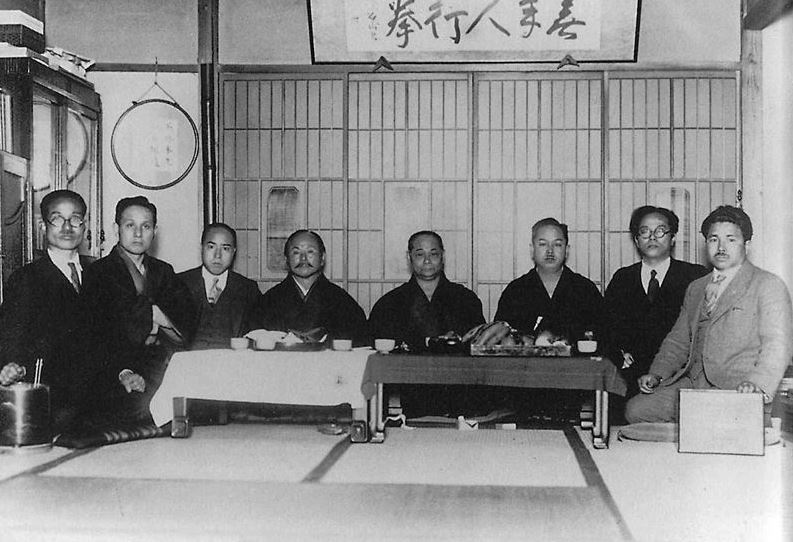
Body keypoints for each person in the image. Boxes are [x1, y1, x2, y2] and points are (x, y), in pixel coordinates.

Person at [625, 205, 793, 423]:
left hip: (737, 387)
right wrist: (657, 374)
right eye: (714, 239)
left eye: (731, 239)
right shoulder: (696, 287)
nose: (721, 247)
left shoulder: (767, 284)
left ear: (747, 244)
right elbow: (677, 342)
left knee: (708, 423)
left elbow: (777, 345)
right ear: (706, 244)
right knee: (637, 410)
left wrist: (758, 384)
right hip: (692, 384)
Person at [83, 196, 196, 423]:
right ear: (116, 229)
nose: (138, 233)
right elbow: (94, 337)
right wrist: (123, 371)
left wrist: (160, 318)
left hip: (157, 363)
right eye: (129, 225)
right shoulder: (98, 274)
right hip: (114, 368)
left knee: (192, 407)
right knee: (139, 412)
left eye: (145, 226)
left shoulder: (163, 272)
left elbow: (184, 330)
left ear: (154, 231)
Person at [0, 190, 96, 433]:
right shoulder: (27, 278)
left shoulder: (100, 273)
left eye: (75, 219)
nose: (67, 227)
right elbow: (12, 333)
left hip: (97, 398)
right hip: (51, 398)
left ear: (85, 226)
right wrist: (14, 365)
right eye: (57, 219)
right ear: (43, 226)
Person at [604, 206, 708, 398]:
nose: (652, 237)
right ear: (636, 240)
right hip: (629, 374)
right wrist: (619, 356)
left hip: (680, 374)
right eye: (644, 232)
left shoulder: (694, 276)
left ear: (673, 238)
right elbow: (606, 326)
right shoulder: (622, 278)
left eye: (660, 231)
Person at [368, 230, 485, 351]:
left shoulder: (465, 299)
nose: (427, 260)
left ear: (442, 256)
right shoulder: (390, 302)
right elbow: (378, 345)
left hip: (454, 367)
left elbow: (479, 342)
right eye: (420, 254)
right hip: (404, 368)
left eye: (433, 254)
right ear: (409, 257)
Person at [493, 217, 603, 342]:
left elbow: (602, 336)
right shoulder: (515, 291)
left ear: (566, 250)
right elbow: (501, 338)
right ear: (532, 249)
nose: (550, 251)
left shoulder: (585, 290)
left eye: (557, 244)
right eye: (542, 244)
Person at [250, 230, 367, 345]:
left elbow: (359, 342)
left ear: (322, 258)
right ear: (286, 260)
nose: (303, 259)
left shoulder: (342, 302)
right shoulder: (268, 301)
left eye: (310, 252)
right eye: (296, 252)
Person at [178, 223, 260, 350]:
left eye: (225, 249)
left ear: (234, 252)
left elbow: (257, 336)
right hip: (189, 364)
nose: (217, 255)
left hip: (233, 365)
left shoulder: (248, 289)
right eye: (211, 247)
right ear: (201, 248)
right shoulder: (179, 283)